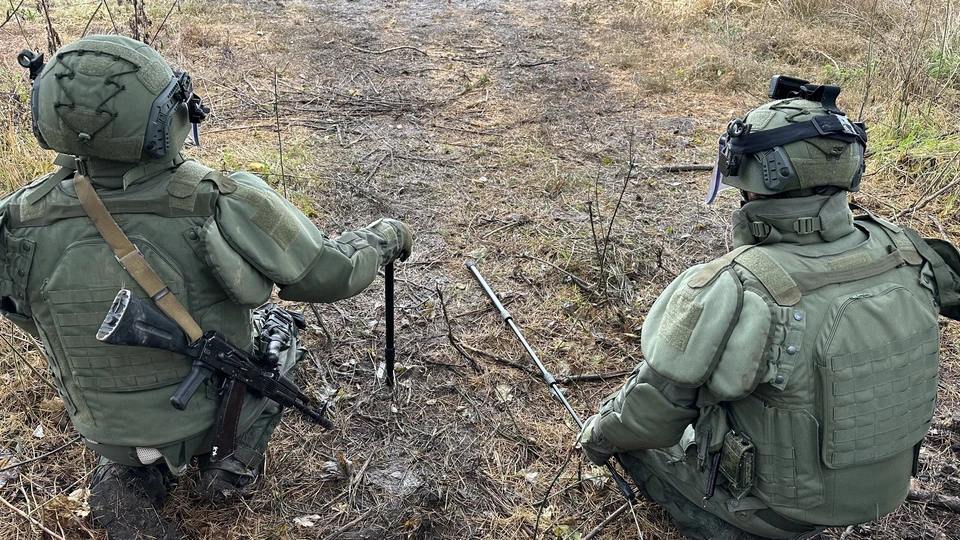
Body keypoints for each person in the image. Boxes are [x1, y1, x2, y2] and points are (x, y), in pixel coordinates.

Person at [0, 35, 413, 539]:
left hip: (102, 428)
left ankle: (136, 468)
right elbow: (327, 274)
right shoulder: (217, 198)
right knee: (280, 334)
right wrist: (384, 237)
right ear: (165, 116)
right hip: (204, 418)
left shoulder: (17, 218)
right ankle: (230, 461)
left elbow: (28, 315)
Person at [578, 78, 960, 539]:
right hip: (888, 490)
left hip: (780, 515)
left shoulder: (736, 283)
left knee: (632, 435)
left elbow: (653, 415)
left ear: (753, 175)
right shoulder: (908, 250)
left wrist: (598, 437)